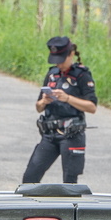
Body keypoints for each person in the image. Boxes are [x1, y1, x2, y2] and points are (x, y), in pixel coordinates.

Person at [22, 36, 97, 184]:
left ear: (71, 54)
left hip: (71, 134)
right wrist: (44, 101)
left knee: (69, 183)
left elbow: (92, 107)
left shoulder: (82, 75)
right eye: (55, 60)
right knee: (30, 177)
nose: (59, 64)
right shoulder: (51, 74)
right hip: (50, 134)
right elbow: (38, 108)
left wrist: (68, 98)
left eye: (61, 59)